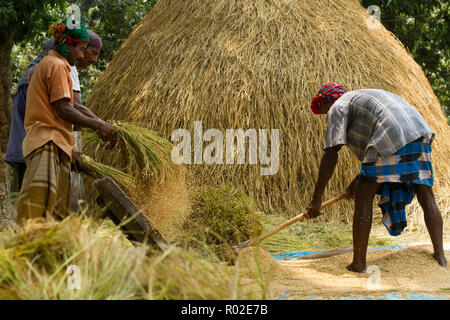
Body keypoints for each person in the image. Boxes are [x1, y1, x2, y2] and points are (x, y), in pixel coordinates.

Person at [304, 82, 447, 273]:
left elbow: (331, 153)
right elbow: (374, 164)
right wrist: (360, 178)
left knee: (364, 195)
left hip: (390, 133)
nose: (325, 115)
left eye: (322, 108)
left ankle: (358, 264)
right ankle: (441, 257)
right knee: (425, 193)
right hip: (418, 132)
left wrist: (316, 200)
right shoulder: (363, 97)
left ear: (327, 102)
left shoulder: (337, 106)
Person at [16, 20, 113, 224]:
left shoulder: (53, 64)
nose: (81, 56)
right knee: (35, 210)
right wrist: (98, 125)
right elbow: (64, 109)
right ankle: (23, 249)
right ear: (69, 45)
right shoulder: (57, 66)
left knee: (50, 212)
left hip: (54, 142)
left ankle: (41, 251)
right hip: (46, 141)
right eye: (82, 49)